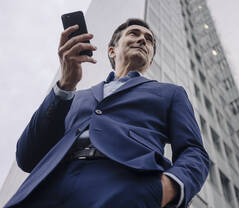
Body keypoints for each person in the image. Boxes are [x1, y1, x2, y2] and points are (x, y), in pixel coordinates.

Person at [5, 18, 210, 208]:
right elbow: (27, 157)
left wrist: (165, 189)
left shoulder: (170, 93)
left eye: (148, 40)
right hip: (45, 189)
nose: (142, 39)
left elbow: (194, 151)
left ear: (150, 62)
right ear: (112, 51)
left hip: (123, 187)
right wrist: (64, 86)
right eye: (134, 34)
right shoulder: (73, 96)